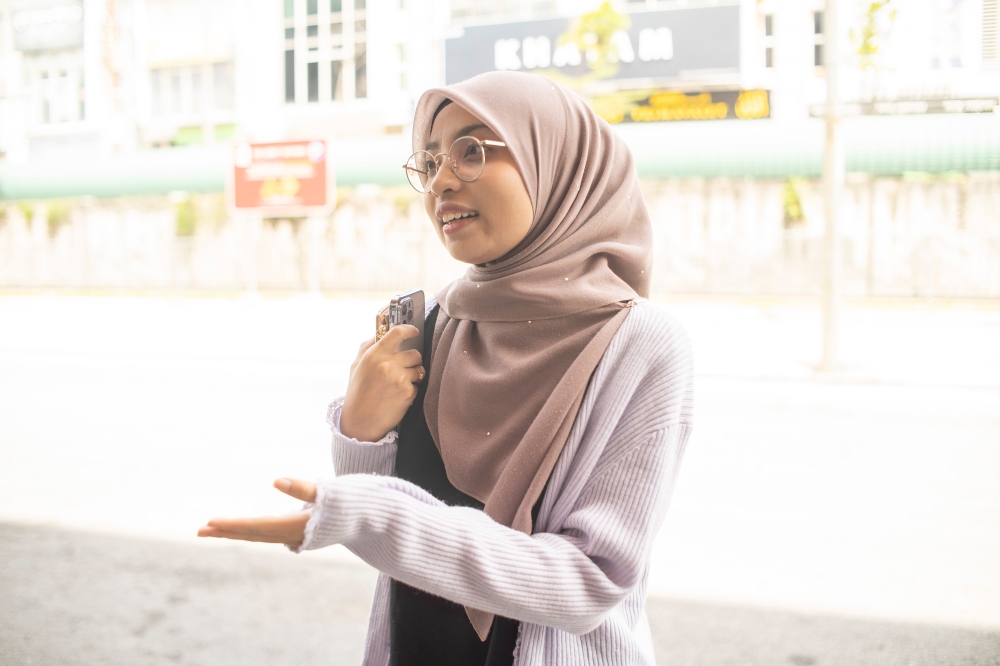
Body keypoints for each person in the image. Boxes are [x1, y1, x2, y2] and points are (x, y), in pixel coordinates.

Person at [198, 70, 694, 666]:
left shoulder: (640, 343)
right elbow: (383, 531)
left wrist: (372, 515)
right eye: (429, 162)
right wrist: (361, 427)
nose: (441, 183)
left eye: (471, 151)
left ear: (555, 164)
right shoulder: (432, 323)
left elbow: (589, 583)